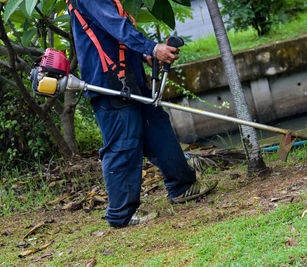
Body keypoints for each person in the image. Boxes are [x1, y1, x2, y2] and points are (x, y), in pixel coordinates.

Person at [67, 0, 217, 228]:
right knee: (122, 143)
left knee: (156, 127)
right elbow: (114, 25)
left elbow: (115, 34)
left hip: (128, 77)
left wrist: (143, 54)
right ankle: (122, 215)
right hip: (108, 82)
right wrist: (152, 48)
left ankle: (183, 187)